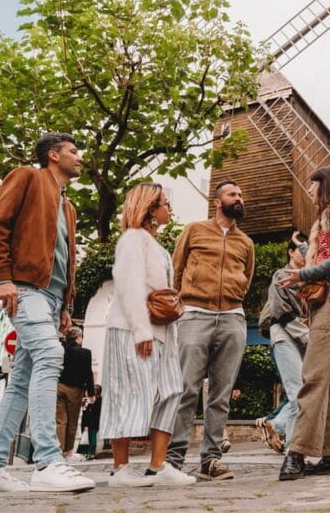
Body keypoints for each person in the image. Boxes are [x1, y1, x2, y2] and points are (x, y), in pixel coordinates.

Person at [0, 132, 95, 493]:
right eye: (73, 151)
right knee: (50, 354)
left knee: (21, 382)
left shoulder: (67, 207)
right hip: (24, 289)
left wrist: (67, 306)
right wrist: (1, 277)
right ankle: (47, 462)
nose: (79, 157)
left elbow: (66, 259)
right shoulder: (26, 177)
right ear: (53, 156)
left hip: (53, 299)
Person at [101, 182, 195, 487]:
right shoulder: (132, 240)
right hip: (132, 329)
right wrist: (141, 331)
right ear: (150, 209)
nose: (170, 209)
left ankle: (158, 464)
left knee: (170, 390)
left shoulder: (156, 245)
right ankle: (120, 468)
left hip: (163, 332)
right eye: (165, 203)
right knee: (127, 392)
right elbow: (130, 286)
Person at [277, 165, 330, 481]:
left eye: (312, 185)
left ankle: (296, 454)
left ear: (324, 185)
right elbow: (328, 254)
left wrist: (304, 273)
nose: (309, 191)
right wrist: (303, 253)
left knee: (312, 376)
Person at [166, 180, 255, 481]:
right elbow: (176, 269)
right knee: (186, 389)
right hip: (195, 315)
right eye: (233, 194)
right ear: (217, 202)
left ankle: (211, 460)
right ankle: (173, 460)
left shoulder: (246, 243)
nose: (239, 198)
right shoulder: (194, 230)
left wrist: (235, 301)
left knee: (221, 394)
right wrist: (181, 304)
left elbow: (248, 278)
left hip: (232, 317)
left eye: (241, 194)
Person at [256, 233, 309, 454]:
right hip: (285, 335)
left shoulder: (308, 280)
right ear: (290, 251)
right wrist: (308, 336)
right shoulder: (281, 274)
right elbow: (281, 313)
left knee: (304, 393)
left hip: (302, 339)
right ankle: (293, 452)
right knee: (297, 394)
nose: (305, 254)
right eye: (299, 250)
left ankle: (275, 425)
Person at [56, 326, 95, 459]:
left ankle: (58, 450)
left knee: (60, 421)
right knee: (72, 422)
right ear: (78, 337)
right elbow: (88, 373)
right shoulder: (85, 353)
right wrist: (91, 393)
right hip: (75, 390)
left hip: (59, 386)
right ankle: (68, 452)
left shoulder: (61, 350)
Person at [81, 385, 102, 460]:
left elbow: (92, 410)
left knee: (91, 437)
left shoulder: (96, 399)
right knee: (89, 437)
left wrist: (87, 405)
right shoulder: (93, 399)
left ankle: (91, 453)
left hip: (92, 421)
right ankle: (88, 453)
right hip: (91, 421)